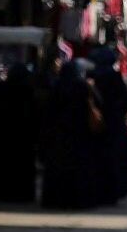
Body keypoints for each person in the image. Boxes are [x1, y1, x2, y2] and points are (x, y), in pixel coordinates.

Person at [40, 60, 99, 209]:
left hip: (58, 136)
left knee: (58, 168)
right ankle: (79, 200)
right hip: (80, 134)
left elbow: (48, 112)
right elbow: (98, 104)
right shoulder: (83, 86)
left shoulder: (56, 87)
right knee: (79, 169)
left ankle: (56, 200)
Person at [89, 47, 127, 203]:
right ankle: (112, 193)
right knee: (114, 162)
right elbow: (124, 100)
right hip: (113, 125)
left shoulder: (92, 76)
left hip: (96, 126)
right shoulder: (113, 76)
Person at [0, 64, 39, 202]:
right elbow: (33, 114)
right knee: (21, 167)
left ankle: (0, 193)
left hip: (3, 136)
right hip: (22, 138)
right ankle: (21, 194)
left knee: (3, 165)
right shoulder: (27, 90)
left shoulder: (3, 88)